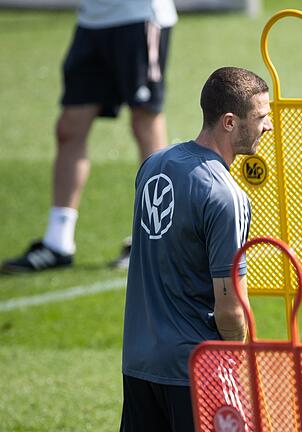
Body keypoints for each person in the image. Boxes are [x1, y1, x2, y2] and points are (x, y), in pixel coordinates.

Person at [120, 67, 272, 431]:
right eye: (262, 117)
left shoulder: (153, 166)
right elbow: (230, 306)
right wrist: (234, 358)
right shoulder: (225, 195)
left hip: (139, 362)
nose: (268, 127)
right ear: (230, 122)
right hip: (197, 371)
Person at [1, 0, 177, 273]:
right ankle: (57, 242)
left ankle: (155, 239)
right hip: (93, 18)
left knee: (144, 121)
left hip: (139, 15)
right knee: (69, 126)